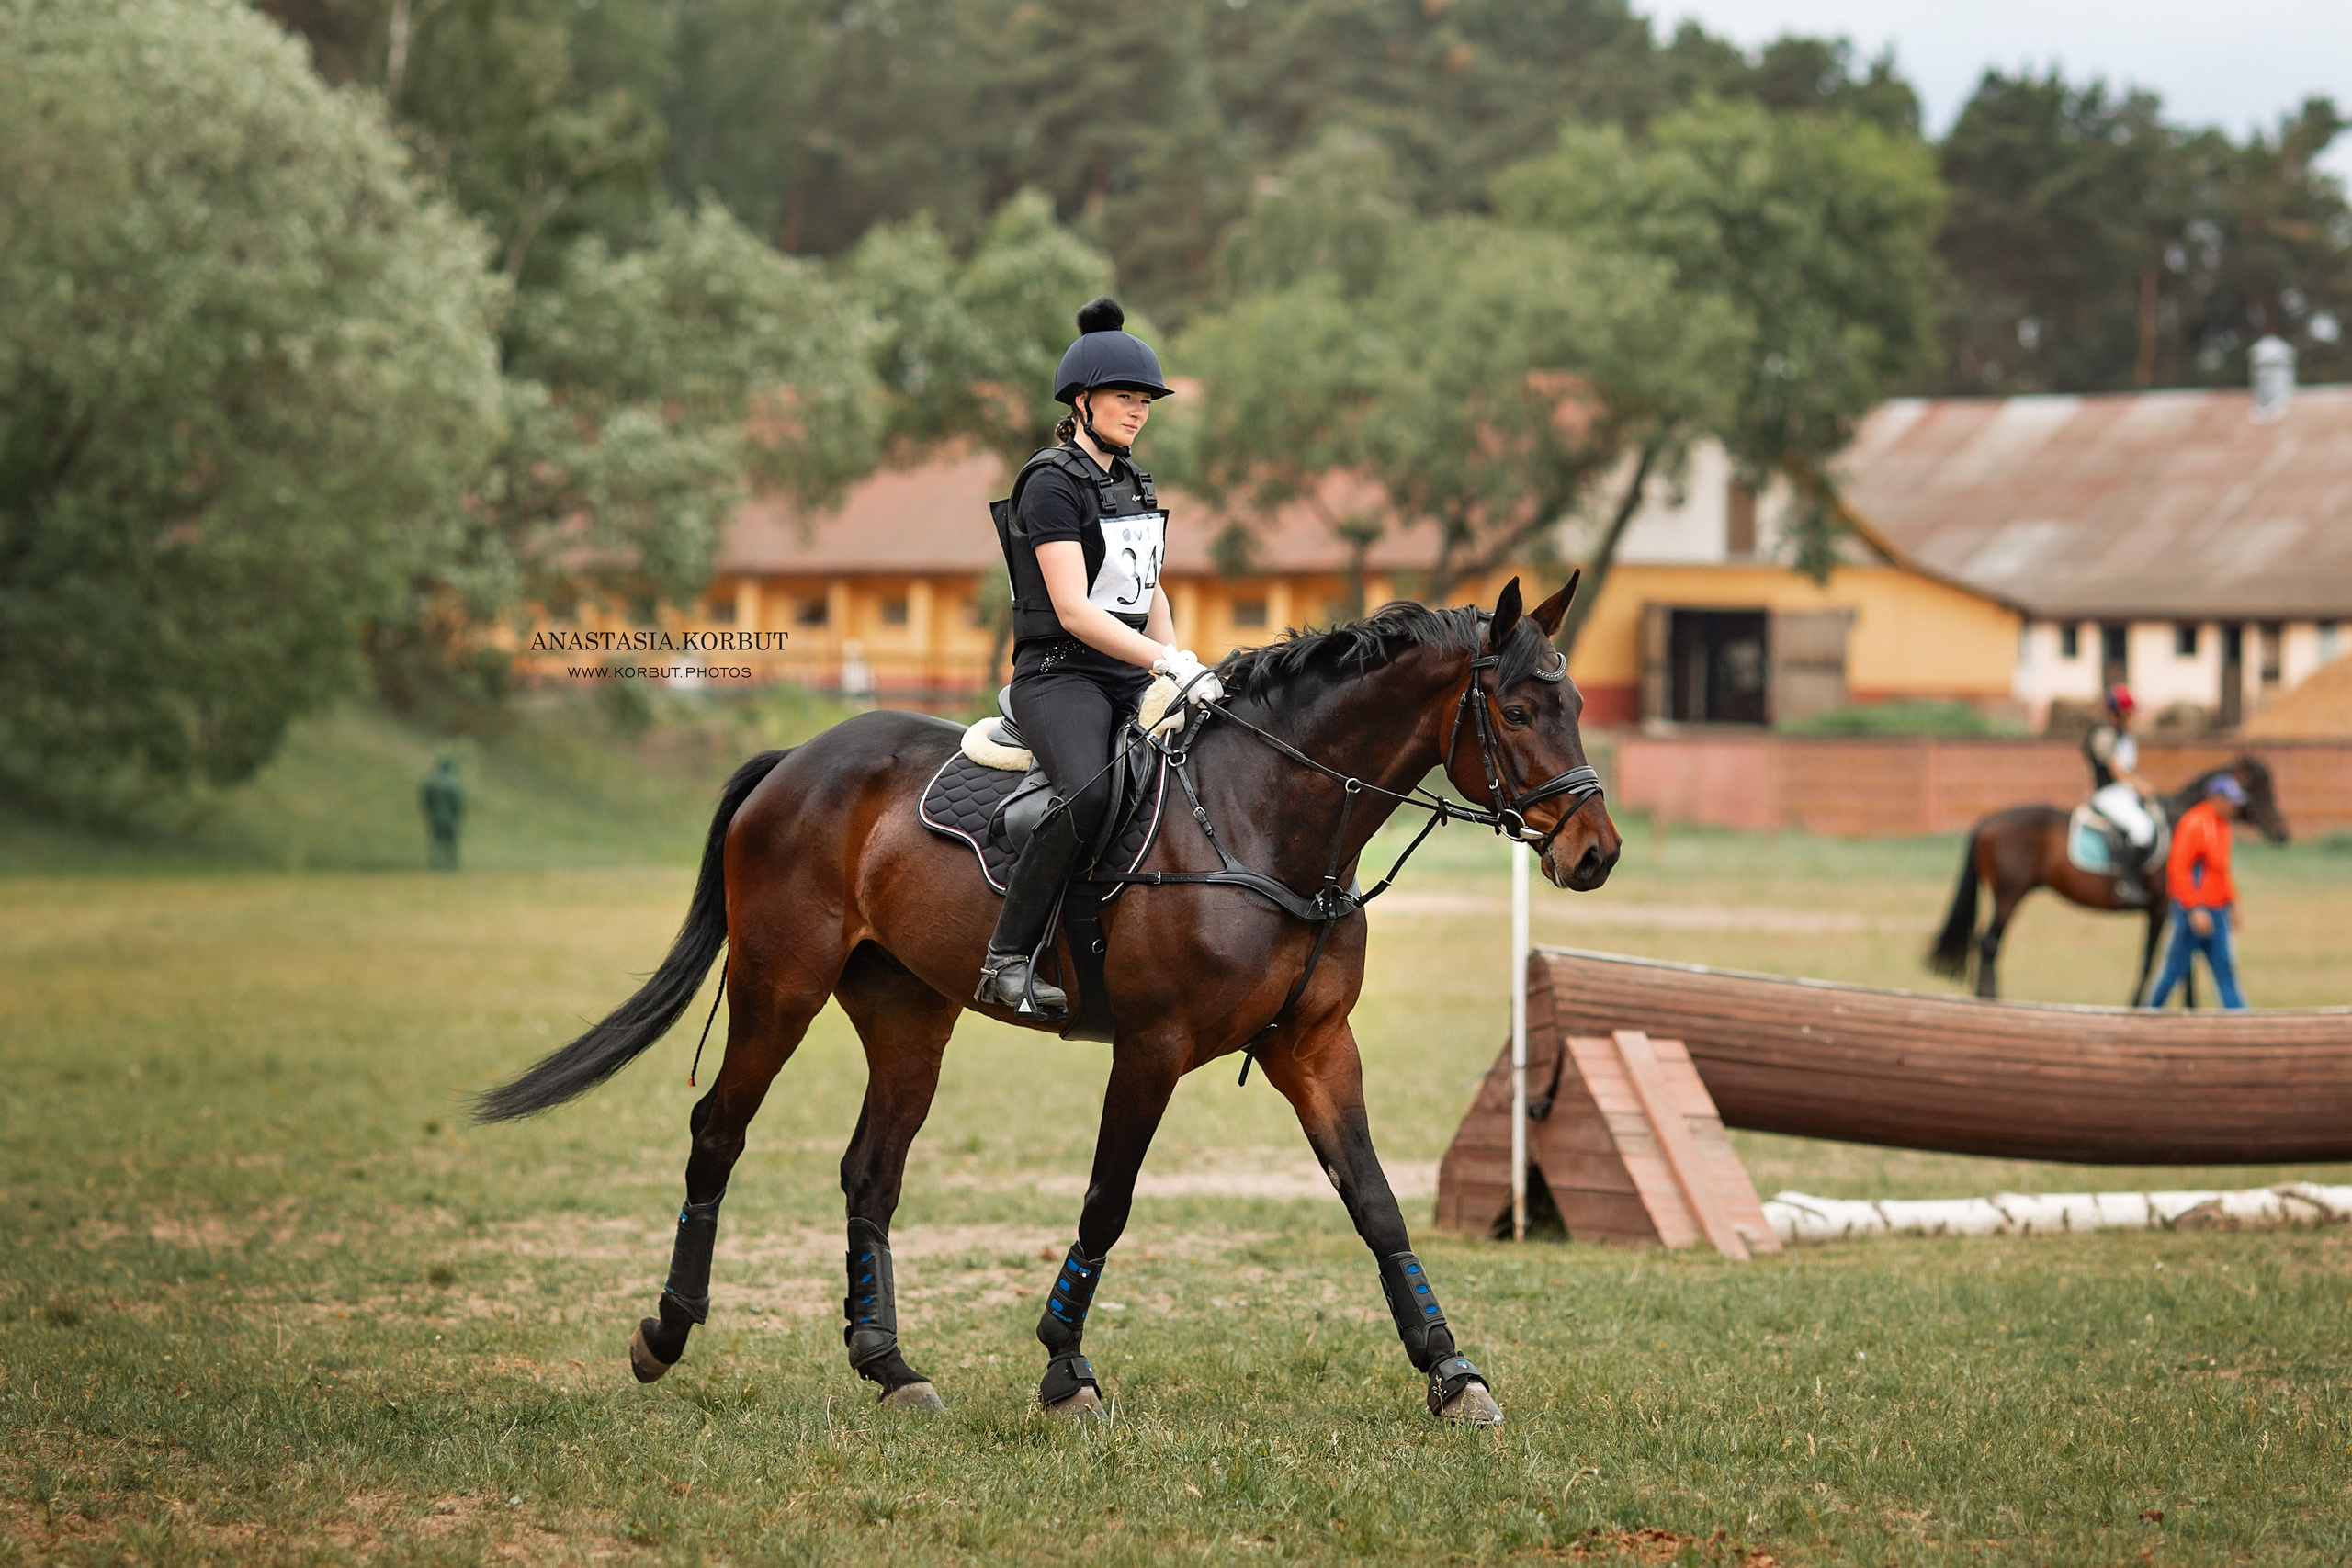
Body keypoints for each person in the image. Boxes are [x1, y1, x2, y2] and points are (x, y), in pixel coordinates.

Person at [975, 297, 1221, 1019]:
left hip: (1127, 668)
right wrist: (1161, 663)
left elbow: (1149, 590)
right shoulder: (1049, 482)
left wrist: (1179, 658)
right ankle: (1007, 957)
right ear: (1082, 401)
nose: (1138, 411)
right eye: (1125, 397)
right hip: (1060, 673)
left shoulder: (1133, 480)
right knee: (1086, 791)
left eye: (1145, 401)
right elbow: (1077, 609)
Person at [2145, 774, 2248, 1009]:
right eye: (2230, 800)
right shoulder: (2195, 823)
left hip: (2217, 911)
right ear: (2215, 798)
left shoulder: (2223, 826)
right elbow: (2179, 868)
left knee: (2225, 971)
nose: (2234, 806)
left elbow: (2220, 870)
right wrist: (2194, 907)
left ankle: (2242, 1022)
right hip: (2193, 913)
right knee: (2173, 970)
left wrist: (2231, 903)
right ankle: (2148, 1015)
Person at [2085, 684, 2157, 902]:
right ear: (2117, 713)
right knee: (2141, 829)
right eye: (2129, 713)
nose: (2133, 717)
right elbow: (2118, 772)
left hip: (2123, 793)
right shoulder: (2104, 736)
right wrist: (2141, 785)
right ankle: (2126, 883)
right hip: (2108, 794)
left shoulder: (2126, 737)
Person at [421, 755, 465, 872]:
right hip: (449, 818)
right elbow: (458, 804)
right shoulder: (453, 784)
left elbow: (426, 801)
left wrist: (429, 813)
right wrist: (457, 818)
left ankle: (435, 866)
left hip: (435, 817)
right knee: (451, 843)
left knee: (435, 841)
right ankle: (451, 866)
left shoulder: (431, 783)